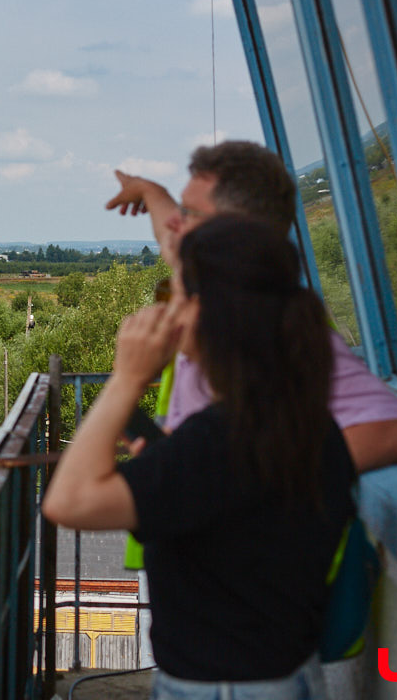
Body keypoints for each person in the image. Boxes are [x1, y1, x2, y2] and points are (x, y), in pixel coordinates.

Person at [44, 216, 355, 697]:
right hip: (288, 675)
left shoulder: (216, 443)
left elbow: (68, 501)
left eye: (177, 294)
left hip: (221, 688)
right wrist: (170, 461)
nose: (169, 312)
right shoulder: (311, 425)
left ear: (209, 312)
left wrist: (127, 379)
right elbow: (238, 518)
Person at [105, 140, 397, 471]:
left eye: (188, 213)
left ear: (237, 231)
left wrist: (234, 488)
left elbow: (395, 433)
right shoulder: (207, 287)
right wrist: (146, 189)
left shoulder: (279, 326)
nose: (173, 222)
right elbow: (169, 231)